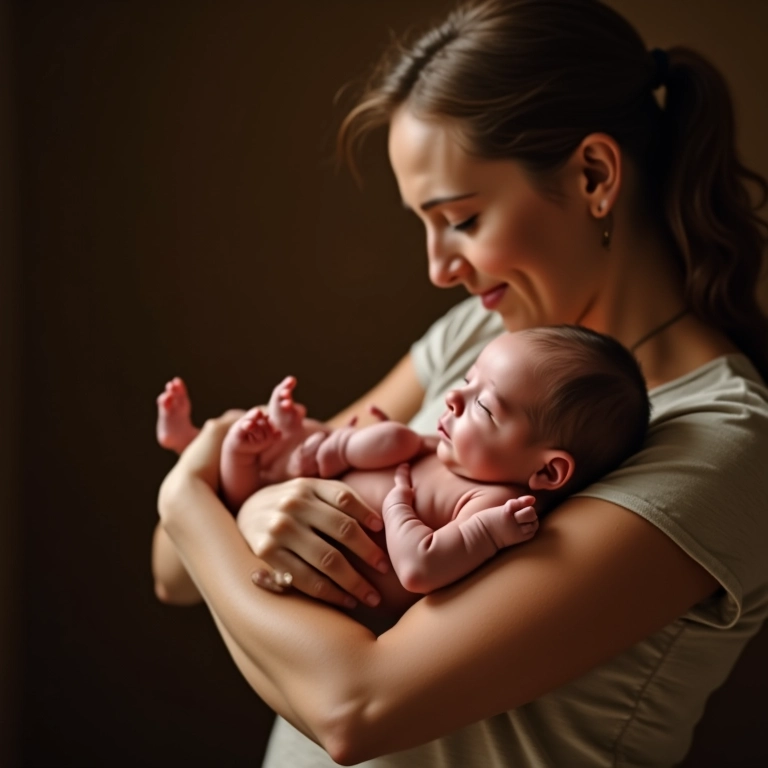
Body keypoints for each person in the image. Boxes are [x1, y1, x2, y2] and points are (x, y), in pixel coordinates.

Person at [151, 0, 768, 765]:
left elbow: (352, 707)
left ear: (595, 175)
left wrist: (190, 497)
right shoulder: (481, 340)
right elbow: (172, 572)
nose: (439, 268)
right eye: (424, 223)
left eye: (462, 219)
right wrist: (264, 512)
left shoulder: (717, 442)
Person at [156, 326, 650, 600]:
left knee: (241, 484)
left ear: (546, 472)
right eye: (467, 378)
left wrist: (399, 505)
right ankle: (200, 443)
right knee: (261, 436)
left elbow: (418, 566)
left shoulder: (493, 501)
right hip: (292, 496)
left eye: (483, 406)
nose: (453, 397)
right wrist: (344, 443)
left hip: (304, 567)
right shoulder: (449, 450)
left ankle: (208, 454)